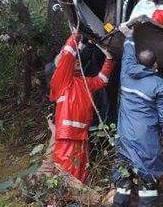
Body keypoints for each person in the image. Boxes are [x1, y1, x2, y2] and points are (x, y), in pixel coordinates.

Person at [112, 24, 163, 207]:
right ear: (155, 66)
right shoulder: (160, 85)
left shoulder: (126, 74)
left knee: (123, 178)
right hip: (145, 140)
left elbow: (127, 53)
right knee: (148, 180)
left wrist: (129, 35)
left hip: (124, 136)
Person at [48, 32, 114, 182]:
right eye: (74, 59)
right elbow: (67, 55)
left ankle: (77, 201)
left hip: (81, 134)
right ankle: (57, 204)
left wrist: (109, 60)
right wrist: (76, 35)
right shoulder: (62, 81)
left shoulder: (83, 81)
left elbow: (101, 80)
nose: (77, 60)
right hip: (67, 135)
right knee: (67, 171)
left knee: (82, 169)